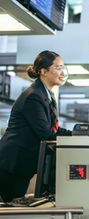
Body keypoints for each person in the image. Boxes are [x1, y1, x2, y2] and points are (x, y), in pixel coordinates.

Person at [0, 50, 72, 203]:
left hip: (21, 164)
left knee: (14, 203)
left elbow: (53, 129)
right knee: (8, 206)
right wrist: (74, 139)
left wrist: (78, 135)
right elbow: (46, 134)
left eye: (63, 67)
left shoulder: (45, 95)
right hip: (12, 163)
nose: (62, 72)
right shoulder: (34, 96)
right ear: (44, 71)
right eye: (58, 68)